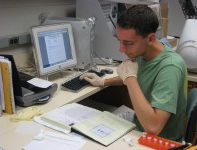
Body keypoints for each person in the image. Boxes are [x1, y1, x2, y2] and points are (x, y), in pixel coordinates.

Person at [80, 4, 187, 141]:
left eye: (128, 43)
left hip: (157, 139)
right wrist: (103, 81)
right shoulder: (148, 52)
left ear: (150, 38)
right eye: (120, 41)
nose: (121, 49)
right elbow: (143, 75)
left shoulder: (170, 68)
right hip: (139, 123)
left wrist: (130, 79)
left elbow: (153, 127)